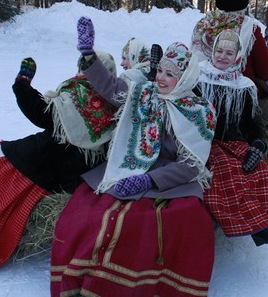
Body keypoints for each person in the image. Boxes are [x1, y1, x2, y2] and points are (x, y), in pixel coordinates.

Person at [50, 16, 217, 296]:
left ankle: (119, 285)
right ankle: (82, 278)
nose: (161, 78)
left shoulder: (200, 111)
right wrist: (88, 55)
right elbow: (112, 88)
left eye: (170, 73)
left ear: (185, 77)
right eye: (160, 70)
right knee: (89, 209)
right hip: (129, 164)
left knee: (151, 222)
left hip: (170, 179)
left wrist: (149, 181)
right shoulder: (145, 93)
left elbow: (190, 165)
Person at [0, 51, 117, 276]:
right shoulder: (116, 104)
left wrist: (22, 84)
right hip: (70, 182)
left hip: (36, 163)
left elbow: (40, 113)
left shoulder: (76, 94)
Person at [197, 29, 268, 246]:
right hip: (204, 140)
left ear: (238, 56)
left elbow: (251, 123)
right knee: (227, 171)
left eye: (229, 53)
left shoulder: (244, 86)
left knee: (259, 171)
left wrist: (258, 144)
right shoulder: (198, 77)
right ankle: (256, 225)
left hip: (233, 141)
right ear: (212, 51)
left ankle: (265, 225)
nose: (222, 56)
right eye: (219, 50)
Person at [191, 0, 268, 129]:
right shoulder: (250, 28)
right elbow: (265, 72)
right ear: (243, 5)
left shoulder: (203, 25)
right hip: (238, 94)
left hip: (200, 89)